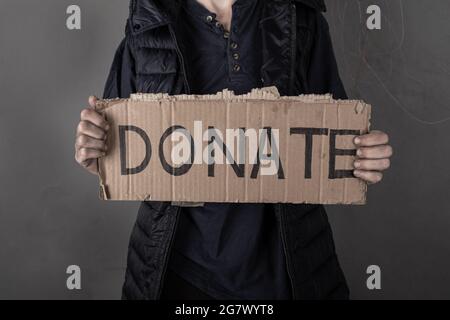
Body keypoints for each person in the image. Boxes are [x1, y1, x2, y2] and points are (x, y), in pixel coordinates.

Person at [75, 0, 393, 300]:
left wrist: (362, 156)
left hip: (286, 274)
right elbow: (115, 149)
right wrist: (96, 153)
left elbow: (334, 142)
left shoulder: (301, 19)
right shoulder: (147, 25)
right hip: (174, 275)